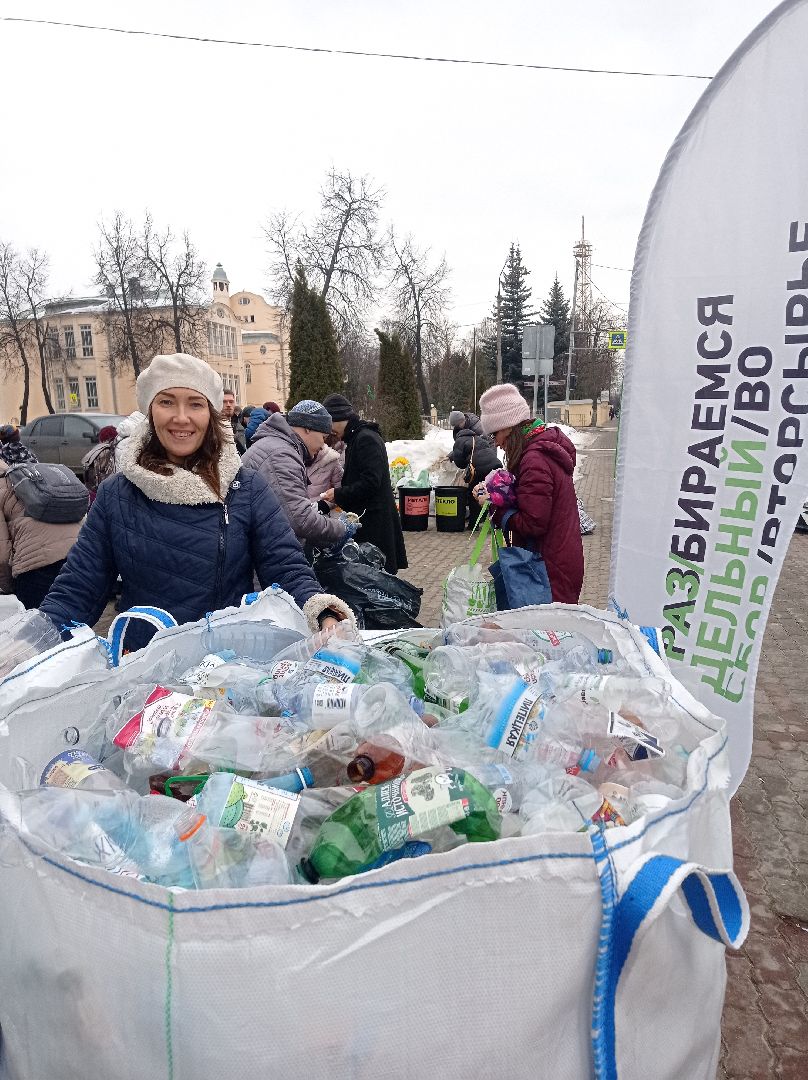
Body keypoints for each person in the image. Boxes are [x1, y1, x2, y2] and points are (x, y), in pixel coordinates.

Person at [40, 354, 353, 652]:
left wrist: (323, 612)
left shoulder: (245, 488)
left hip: (226, 665)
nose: (181, 417)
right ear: (150, 412)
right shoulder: (117, 495)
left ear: (211, 415)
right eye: (166, 402)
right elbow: (77, 588)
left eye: (195, 404)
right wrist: (33, 641)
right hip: (144, 667)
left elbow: (286, 566)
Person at [473, 383, 583, 604]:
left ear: (509, 427)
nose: (496, 443)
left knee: (544, 634)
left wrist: (495, 506)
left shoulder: (534, 460)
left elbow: (533, 522)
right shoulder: (538, 450)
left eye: (495, 434)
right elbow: (533, 501)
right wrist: (497, 492)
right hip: (554, 559)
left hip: (548, 568)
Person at [242, 399, 352, 555]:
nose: (322, 445)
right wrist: (341, 529)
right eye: (323, 436)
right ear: (308, 428)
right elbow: (301, 520)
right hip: (264, 554)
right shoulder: (281, 455)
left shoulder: (277, 446)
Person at [321, 394, 407, 574]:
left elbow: (371, 482)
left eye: (329, 424)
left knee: (376, 577)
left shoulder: (365, 438)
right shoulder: (357, 437)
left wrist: (339, 494)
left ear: (340, 419)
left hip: (375, 525)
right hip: (370, 520)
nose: (329, 431)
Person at [1, 441, 84, 609]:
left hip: (36, 566)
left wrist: (8, 587)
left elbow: (2, 553)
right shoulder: (22, 475)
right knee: (74, 625)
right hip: (78, 555)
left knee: (37, 629)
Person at [447, 410, 500, 528]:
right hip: (494, 463)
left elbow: (461, 460)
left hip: (481, 464)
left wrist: (458, 458)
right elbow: (471, 446)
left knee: (474, 492)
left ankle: (474, 523)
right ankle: (493, 521)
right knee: (490, 491)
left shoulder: (477, 427)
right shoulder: (473, 436)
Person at [81, 425, 118, 504]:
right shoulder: (107, 451)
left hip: (91, 490)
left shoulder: (96, 449)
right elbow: (108, 475)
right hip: (102, 493)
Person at [307, 435, 344, 500]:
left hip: (319, 506)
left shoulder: (331, 459)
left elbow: (340, 490)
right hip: (294, 507)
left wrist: (326, 505)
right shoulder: (291, 456)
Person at [222, 390, 246, 454]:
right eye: (224, 402)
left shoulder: (238, 425)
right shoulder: (212, 426)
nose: (228, 405)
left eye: (231, 402)